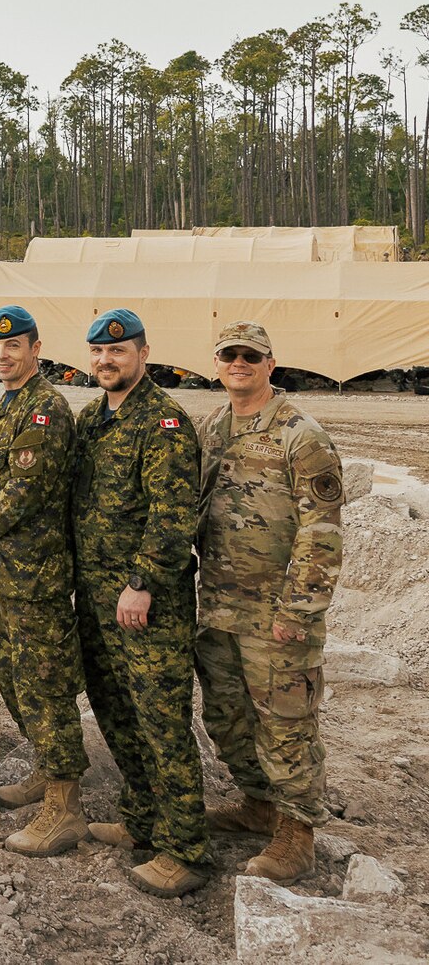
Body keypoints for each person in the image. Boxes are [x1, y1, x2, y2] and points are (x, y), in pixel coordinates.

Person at [195, 320, 342, 883]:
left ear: (269, 364)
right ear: (217, 364)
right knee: (227, 718)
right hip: (220, 609)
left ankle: (296, 832)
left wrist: (298, 611)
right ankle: (259, 804)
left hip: (276, 615)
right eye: (229, 355)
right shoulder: (214, 428)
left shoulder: (300, 434)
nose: (239, 363)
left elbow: (321, 530)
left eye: (250, 356)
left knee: (287, 724)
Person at [72, 308, 209, 898]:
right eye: (99, 353)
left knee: (161, 719)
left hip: (146, 603)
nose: (107, 361)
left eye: (119, 352)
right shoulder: (90, 420)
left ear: (143, 354)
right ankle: (141, 817)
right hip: (96, 596)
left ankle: (183, 848)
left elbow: (175, 516)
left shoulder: (165, 422)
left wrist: (144, 582)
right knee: (114, 709)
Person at [0, 305, 88, 855]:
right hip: (6, 569)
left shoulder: (44, 410)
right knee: (11, 672)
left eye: (15, 346)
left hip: (37, 574)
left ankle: (65, 805)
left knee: (44, 682)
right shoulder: (8, 405)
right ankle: (43, 768)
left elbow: (23, 490)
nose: (3, 355)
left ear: (36, 349)